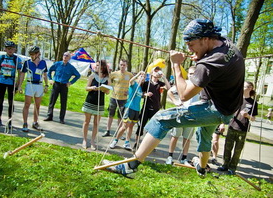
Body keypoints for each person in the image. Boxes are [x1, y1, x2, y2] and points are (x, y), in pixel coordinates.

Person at [102, 19, 245, 178]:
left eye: (191, 44)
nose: (189, 49)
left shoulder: (210, 62)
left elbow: (183, 95)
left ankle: (131, 167)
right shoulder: (226, 44)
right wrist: (200, 56)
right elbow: (220, 67)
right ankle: (202, 168)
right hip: (227, 107)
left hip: (216, 109)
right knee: (203, 136)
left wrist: (176, 64)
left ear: (205, 39)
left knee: (161, 118)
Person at [217, 81, 258, 175]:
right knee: (227, 148)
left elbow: (253, 118)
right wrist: (222, 124)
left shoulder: (253, 102)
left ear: (250, 88)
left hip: (242, 129)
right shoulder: (236, 99)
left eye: (244, 86)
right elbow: (227, 112)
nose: (242, 88)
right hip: (232, 126)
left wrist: (247, 116)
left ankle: (232, 168)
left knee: (237, 150)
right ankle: (225, 165)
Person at [165, 66, 199, 166]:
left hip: (192, 115)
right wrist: (175, 101)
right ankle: (170, 156)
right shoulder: (184, 83)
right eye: (190, 74)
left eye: (194, 74)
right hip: (180, 113)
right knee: (175, 136)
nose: (192, 75)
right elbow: (170, 91)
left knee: (187, 138)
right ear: (188, 74)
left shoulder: (199, 85)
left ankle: (184, 158)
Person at [133, 66, 171, 149]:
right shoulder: (146, 83)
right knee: (141, 126)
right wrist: (145, 95)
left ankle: (148, 145)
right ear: (151, 72)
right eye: (155, 70)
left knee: (153, 128)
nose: (157, 72)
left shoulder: (160, 84)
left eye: (159, 70)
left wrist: (164, 77)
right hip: (146, 108)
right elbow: (140, 93)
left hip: (156, 109)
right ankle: (136, 143)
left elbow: (169, 88)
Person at [109, 71, 145, 150]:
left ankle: (127, 142)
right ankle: (115, 140)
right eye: (141, 77)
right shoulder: (134, 84)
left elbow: (140, 96)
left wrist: (145, 95)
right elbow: (130, 81)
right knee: (125, 126)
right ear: (138, 78)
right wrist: (138, 74)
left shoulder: (140, 88)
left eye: (144, 77)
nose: (142, 78)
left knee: (131, 126)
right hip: (129, 107)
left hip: (136, 109)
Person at [0, 41, 22, 128]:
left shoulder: (17, 59)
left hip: (11, 82)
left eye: (12, 49)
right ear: (5, 49)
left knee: (11, 102)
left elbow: (19, 74)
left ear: (14, 49)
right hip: (1, 81)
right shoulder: (1, 58)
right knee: (0, 100)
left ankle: (10, 120)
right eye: (8, 48)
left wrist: (17, 85)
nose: (10, 50)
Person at [17, 46, 48, 132]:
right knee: (27, 104)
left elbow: (45, 74)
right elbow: (22, 74)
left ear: (38, 54)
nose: (31, 56)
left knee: (37, 106)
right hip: (30, 84)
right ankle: (25, 123)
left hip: (39, 85)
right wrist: (20, 85)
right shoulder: (27, 63)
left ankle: (35, 122)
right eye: (30, 54)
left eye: (33, 54)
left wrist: (46, 85)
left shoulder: (43, 63)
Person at [44, 51, 81, 124]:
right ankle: (49, 116)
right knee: (52, 100)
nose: (65, 57)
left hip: (64, 85)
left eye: (67, 56)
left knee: (63, 102)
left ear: (69, 58)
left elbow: (78, 75)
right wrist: (50, 79)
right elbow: (49, 71)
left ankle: (61, 118)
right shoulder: (57, 64)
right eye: (64, 55)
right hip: (56, 84)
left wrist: (70, 82)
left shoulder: (71, 67)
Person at [81, 60, 110, 150]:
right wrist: (92, 88)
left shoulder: (107, 78)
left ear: (102, 67)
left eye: (97, 65)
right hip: (90, 101)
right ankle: (84, 140)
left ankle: (93, 141)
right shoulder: (92, 76)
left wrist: (104, 89)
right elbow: (86, 88)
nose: (95, 67)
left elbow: (108, 92)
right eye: (95, 65)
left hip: (100, 103)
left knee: (96, 123)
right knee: (86, 122)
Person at [102, 59, 133, 137]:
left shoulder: (129, 75)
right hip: (114, 97)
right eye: (121, 64)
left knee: (121, 116)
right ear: (119, 65)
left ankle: (119, 133)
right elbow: (108, 81)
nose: (122, 66)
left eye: (124, 65)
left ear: (126, 66)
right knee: (110, 114)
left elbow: (133, 85)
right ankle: (107, 130)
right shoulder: (114, 74)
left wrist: (129, 92)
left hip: (123, 99)